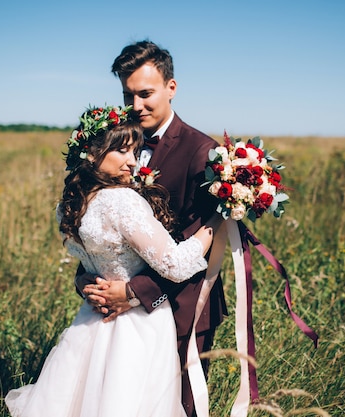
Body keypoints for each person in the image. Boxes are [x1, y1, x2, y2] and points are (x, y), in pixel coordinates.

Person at [5, 106, 221, 416]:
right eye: (121, 151)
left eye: (135, 151)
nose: (132, 161)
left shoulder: (69, 205)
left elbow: (89, 264)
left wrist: (85, 282)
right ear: (91, 153)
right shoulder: (121, 201)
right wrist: (215, 221)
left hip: (93, 319)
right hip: (138, 327)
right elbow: (175, 266)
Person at [76, 40, 227, 416]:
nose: (136, 106)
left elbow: (198, 244)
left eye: (146, 94)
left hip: (183, 306)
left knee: (177, 406)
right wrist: (88, 283)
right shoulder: (114, 147)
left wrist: (134, 292)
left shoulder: (201, 152)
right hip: (117, 318)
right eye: (128, 96)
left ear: (171, 88)